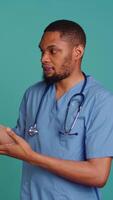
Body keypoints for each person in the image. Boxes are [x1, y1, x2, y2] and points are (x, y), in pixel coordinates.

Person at [0, 19, 113, 200]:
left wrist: (33, 158)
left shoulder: (100, 101)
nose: (43, 58)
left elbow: (98, 175)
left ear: (78, 52)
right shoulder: (33, 94)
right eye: (42, 51)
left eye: (53, 51)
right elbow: (16, 140)